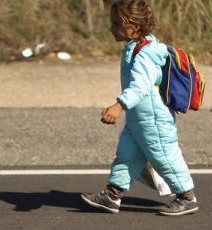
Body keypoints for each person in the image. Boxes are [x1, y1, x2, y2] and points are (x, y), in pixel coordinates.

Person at [82, 0, 198, 216]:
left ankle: (186, 197)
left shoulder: (146, 53)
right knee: (127, 155)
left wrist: (119, 105)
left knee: (164, 155)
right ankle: (112, 195)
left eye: (116, 24)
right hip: (139, 120)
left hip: (153, 119)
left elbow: (140, 87)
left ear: (133, 25)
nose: (111, 29)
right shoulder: (135, 48)